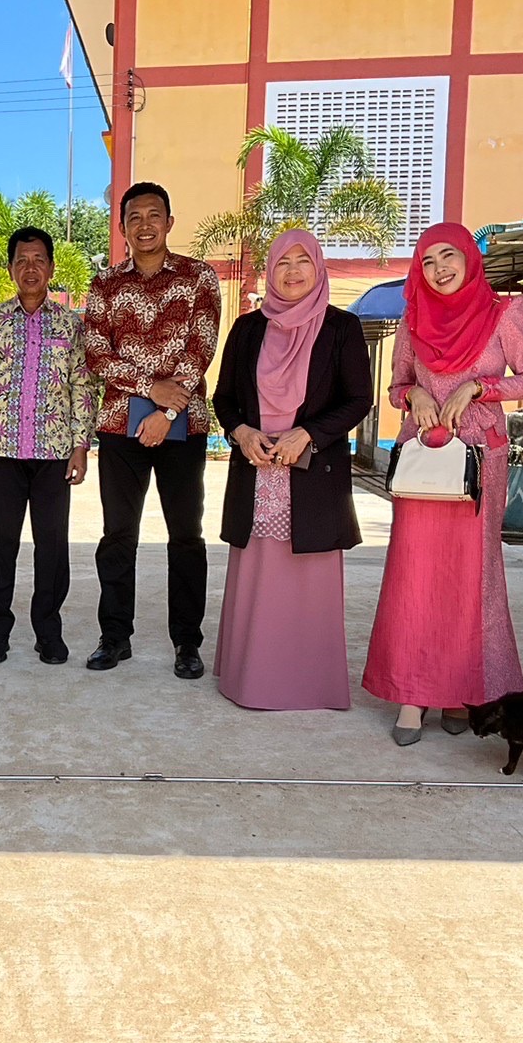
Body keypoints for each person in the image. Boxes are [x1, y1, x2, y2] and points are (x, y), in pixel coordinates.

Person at [362, 222, 523, 744]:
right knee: (416, 574)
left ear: (469, 258)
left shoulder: (503, 313)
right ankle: (412, 694)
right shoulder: (413, 318)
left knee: (471, 575)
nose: (439, 268)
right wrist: (414, 396)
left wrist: (479, 387)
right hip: (424, 459)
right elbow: (398, 385)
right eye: (427, 260)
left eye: (448, 256)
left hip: (480, 460)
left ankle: (461, 689)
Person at [211, 230, 372, 709]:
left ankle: (311, 685)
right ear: (270, 271)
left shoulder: (341, 327)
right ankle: (250, 680)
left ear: (318, 268)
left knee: (309, 580)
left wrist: (310, 434)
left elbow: (358, 398)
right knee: (258, 577)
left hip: (313, 474)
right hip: (257, 470)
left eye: (304, 261)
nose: (293, 271)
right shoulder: (248, 329)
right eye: (283, 261)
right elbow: (224, 397)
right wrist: (241, 433)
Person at [81, 181, 221, 679]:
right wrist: (150, 389)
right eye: (134, 217)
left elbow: (202, 347)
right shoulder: (104, 284)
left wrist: (167, 410)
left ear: (169, 222)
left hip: (184, 426)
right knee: (118, 534)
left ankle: (187, 642)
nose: (144, 224)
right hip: (120, 428)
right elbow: (96, 353)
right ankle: (115, 637)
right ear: (122, 227)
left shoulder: (199, 277)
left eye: (153, 215)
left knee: (186, 535)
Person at [0, 227, 95, 665]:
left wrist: (80, 445)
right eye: (22, 260)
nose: (30, 268)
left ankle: (48, 632)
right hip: (0, 451)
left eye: (39, 260)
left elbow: (82, 386)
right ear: (10, 269)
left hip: (54, 453)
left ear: (51, 267)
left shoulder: (71, 325)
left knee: (52, 546)